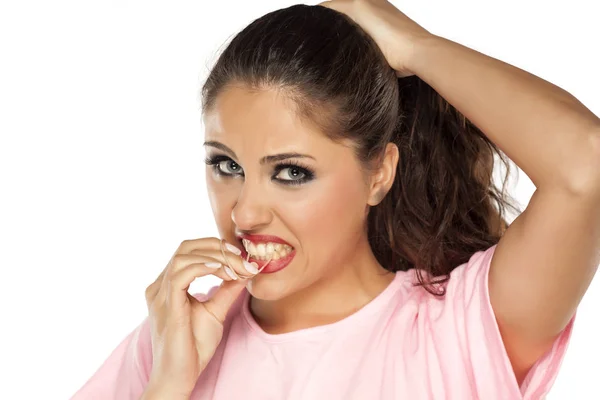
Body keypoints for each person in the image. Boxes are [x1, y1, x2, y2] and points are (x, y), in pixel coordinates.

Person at [71, 2, 600, 399]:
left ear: (379, 174)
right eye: (226, 165)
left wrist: (415, 47)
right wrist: (166, 383)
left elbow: (585, 165)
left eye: (292, 172)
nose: (245, 213)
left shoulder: (460, 331)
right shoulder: (174, 338)